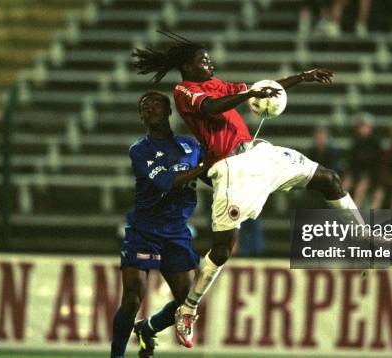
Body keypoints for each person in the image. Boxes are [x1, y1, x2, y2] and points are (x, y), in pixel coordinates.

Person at [132, 31, 368, 348]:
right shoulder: (184, 90)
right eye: (203, 59)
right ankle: (187, 309)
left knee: (329, 179)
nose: (210, 62)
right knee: (223, 249)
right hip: (232, 169)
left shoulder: (217, 83)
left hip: (259, 152)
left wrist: (303, 76)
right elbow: (211, 109)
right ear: (188, 66)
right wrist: (247, 96)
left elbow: (258, 89)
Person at [110, 91, 209, 358]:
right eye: (145, 107)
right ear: (141, 116)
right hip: (144, 231)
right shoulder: (140, 150)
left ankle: (148, 328)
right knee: (132, 298)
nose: (150, 109)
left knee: (187, 302)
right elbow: (165, 182)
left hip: (176, 232)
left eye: (156, 105)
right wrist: (205, 166)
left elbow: (212, 177)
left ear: (168, 112)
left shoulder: (191, 146)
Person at [344, 114, 382, 207]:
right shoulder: (356, 142)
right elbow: (352, 161)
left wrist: (366, 176)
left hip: (371, 175)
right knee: (343, 186)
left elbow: (377, 163)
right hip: (357, 172)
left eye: (365, 126)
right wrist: (351, 174)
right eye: (361, 126)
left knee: (361, 188)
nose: (362, 129)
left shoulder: (375, 143)